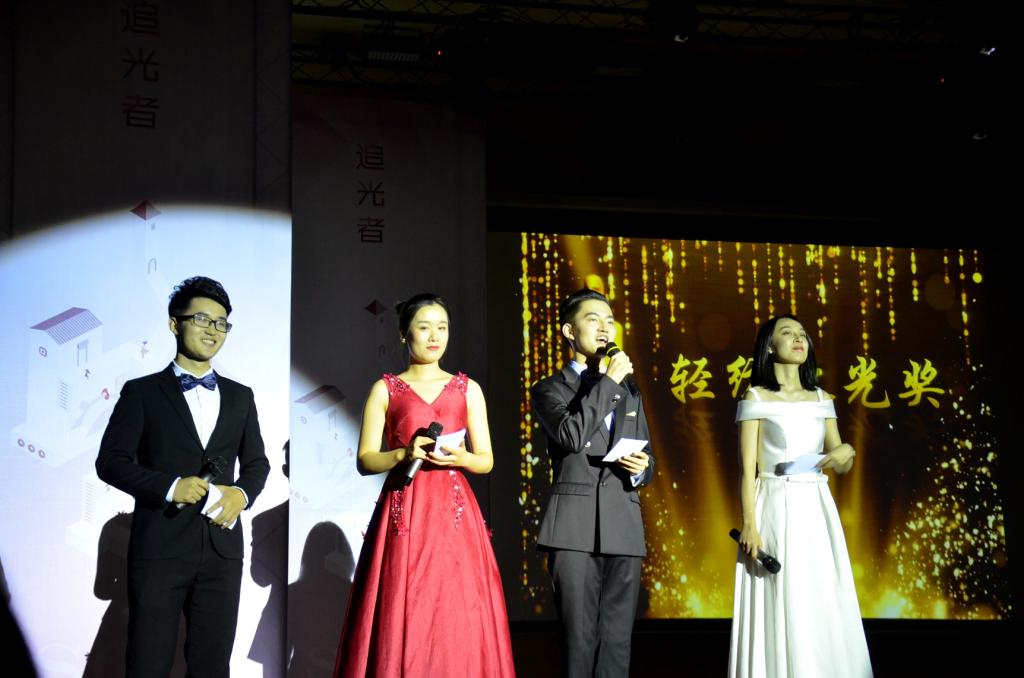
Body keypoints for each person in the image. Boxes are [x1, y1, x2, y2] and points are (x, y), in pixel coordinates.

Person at [96, 276, 270, 678]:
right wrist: (170, 486)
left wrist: (241, 495)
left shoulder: (241, 396)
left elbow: (257, 464)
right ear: (175, 323)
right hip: (160, 547)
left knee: (212, 666)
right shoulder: (142, 392)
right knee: (148, 663)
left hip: (222, 549)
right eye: (202, 319)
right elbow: (111, 461)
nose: (213, 330)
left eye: (221, 323)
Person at [334, 293, 515, 678]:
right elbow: (366, 459)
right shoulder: (385, 389)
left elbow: (486, 460)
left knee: (457, 607)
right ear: (404, 333)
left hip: (454, 512)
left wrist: (461, 458)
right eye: (424, 327)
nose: (435, 336)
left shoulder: (468, 388)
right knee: (403, 600)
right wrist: (403, 453)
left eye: (442, 327)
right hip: (406, 506)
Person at [728, 314, 872, 678]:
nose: (798, 339)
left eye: (803, 334)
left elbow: (841, 461)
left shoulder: (822, 398)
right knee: (781, 592)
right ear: (769, 346)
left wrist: (845, 454)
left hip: (815, 505)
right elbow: (747, 470)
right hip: (774, 504)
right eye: (787, 333)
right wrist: (750, 524)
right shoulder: (756, 397)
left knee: (819, 592)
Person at [531, 287, 655, 678]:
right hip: (573, 527)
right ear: (569, 331)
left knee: (617, 640)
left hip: (623, 521)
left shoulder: (629, 389)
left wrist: (641, 467)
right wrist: (608, 382)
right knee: (579, 639)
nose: (604, 328)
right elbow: (571, 436)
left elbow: (648, 457)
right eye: (593, 319)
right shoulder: (549, 388)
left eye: (609, 320)